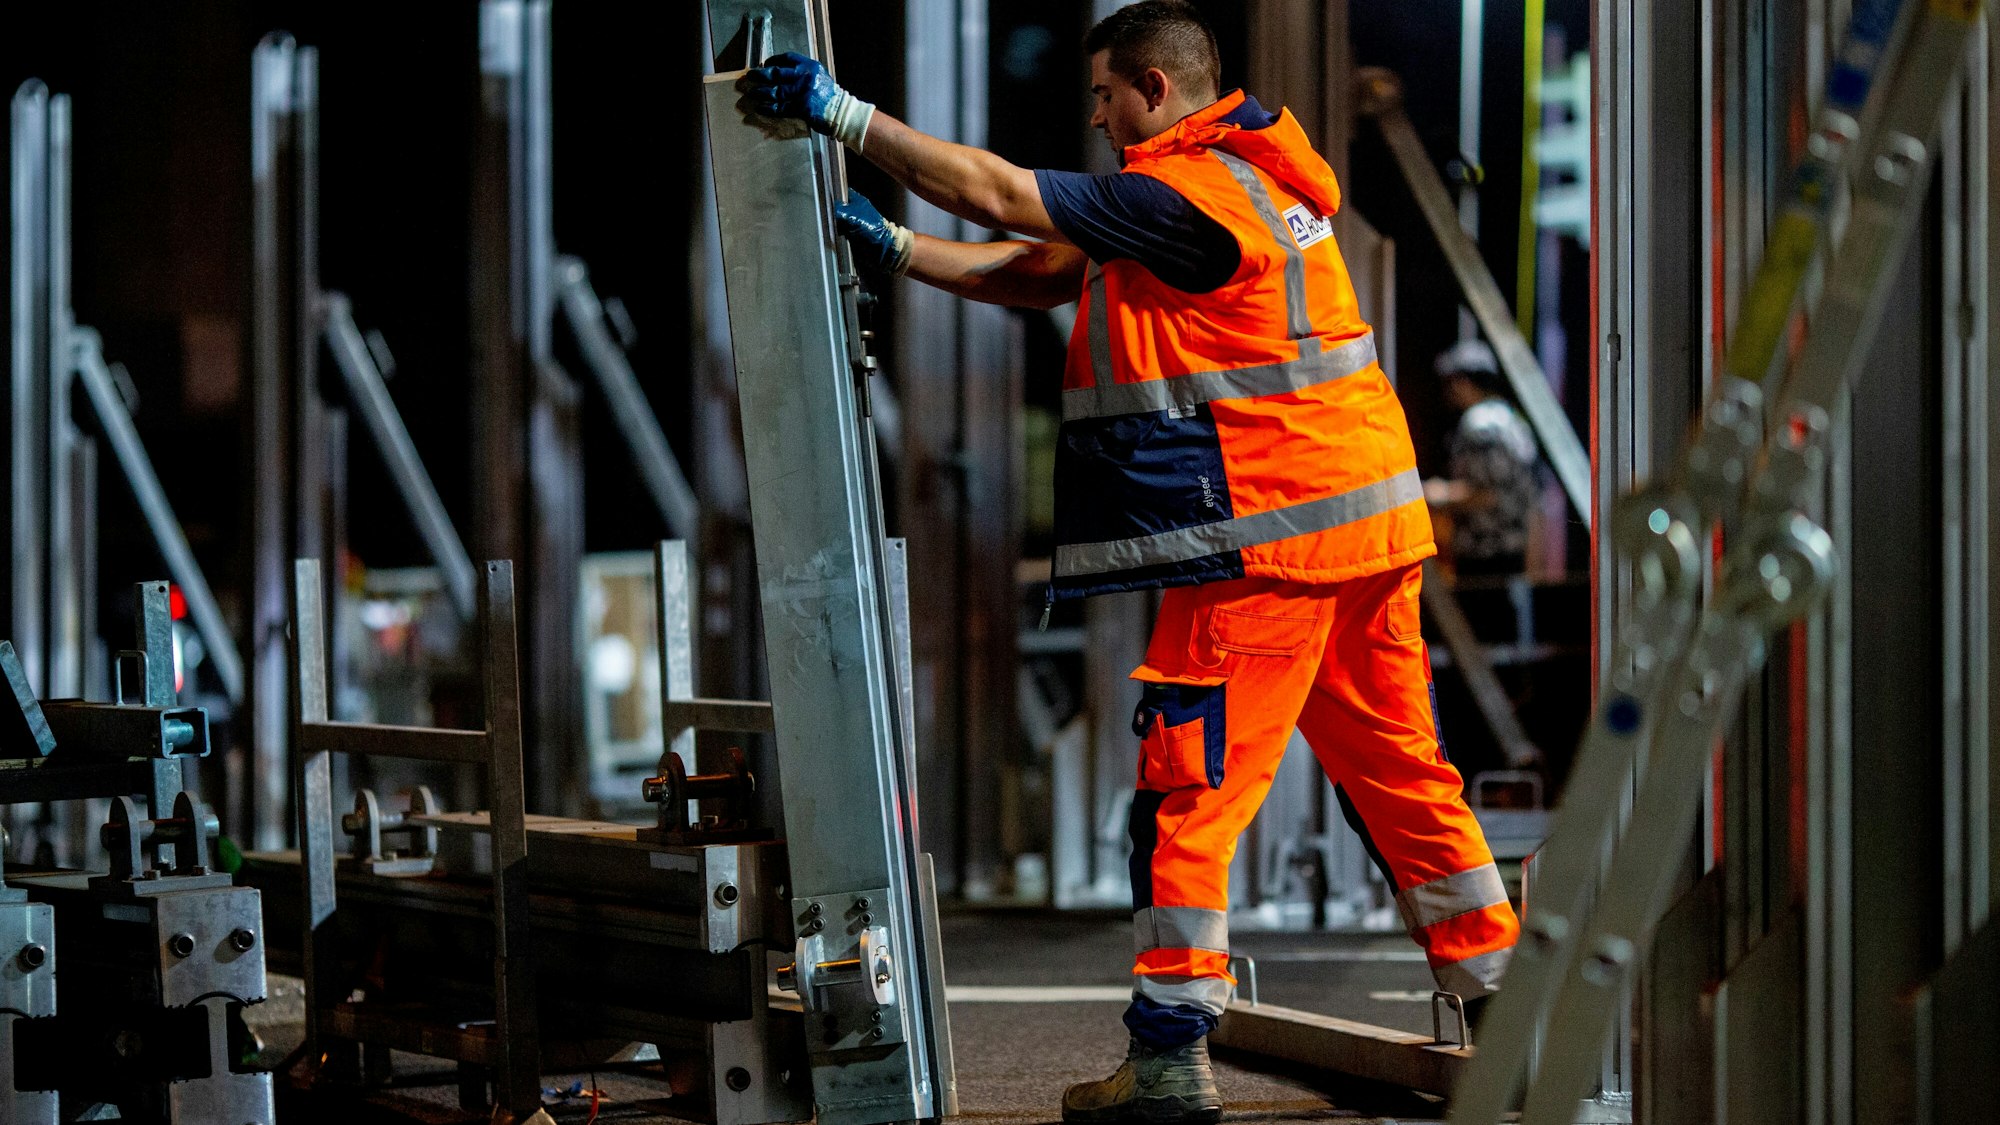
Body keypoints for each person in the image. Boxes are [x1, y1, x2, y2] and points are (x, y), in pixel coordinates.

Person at [741, 5, 1519, 1122]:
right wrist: (902, 251)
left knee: (1185, 796)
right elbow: (1042, 267)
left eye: (1104, 97)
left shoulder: (1183, 195)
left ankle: (1166, 1059)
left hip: (1263, 543)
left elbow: (1005, 195)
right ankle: (1504, 1013)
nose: (1097, 119)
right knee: (1404, 781)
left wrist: (844, 116)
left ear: (1153, 86)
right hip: (1362, 534)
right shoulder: (1245, 184)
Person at [1423, 339, 1540, 579]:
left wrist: (1437, 495)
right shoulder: (1512, 420)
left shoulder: (1478, 423)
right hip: (1513, 552)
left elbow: (1486, 495)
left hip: (1484, 556)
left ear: (1464, 382)